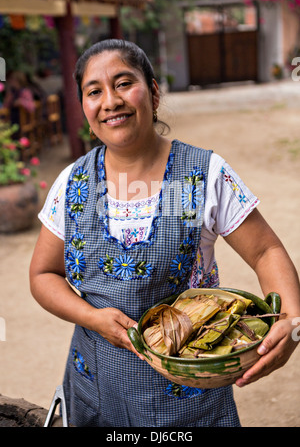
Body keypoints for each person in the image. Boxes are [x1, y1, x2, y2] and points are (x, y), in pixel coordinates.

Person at [29, 39, 300, 427]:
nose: (110, 100)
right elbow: (42, 275)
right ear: (84, 109)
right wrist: (91, 317)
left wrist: (291, 320)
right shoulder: (71, 184)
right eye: (94, 91)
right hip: (95, 388)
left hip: (188, 401)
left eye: (124, 83)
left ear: (153, 93)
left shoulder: (204, 174)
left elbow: (265, 252)